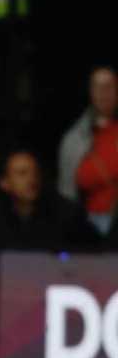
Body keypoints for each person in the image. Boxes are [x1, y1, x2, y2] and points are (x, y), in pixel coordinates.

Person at [57, 65, 118, 236]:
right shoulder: (74, 139)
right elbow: (66, 192)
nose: (103, 92)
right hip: (87, 225)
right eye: (97, 86)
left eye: (109, 86)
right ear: (91, 91)